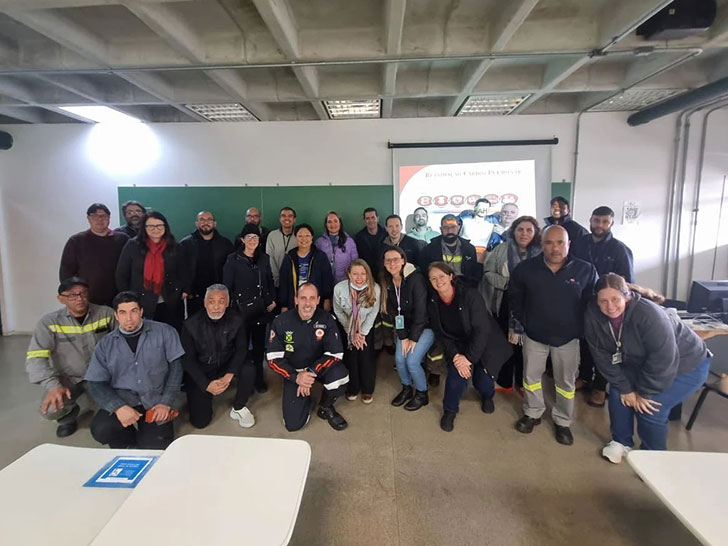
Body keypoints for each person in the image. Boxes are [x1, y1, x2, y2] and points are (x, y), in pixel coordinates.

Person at [584, 273, 711, 462]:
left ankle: (652, 457)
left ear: (627, 296)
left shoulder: (649, 315)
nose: (609, 306)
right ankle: (621, 442)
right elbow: (601, 355)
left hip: (686, 364)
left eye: (615, 299)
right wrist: (627, 389)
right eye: (603, 301)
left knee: (651, 407)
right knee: (619, 392)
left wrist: (644, 393)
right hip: (640, 362)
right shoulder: (593, 314)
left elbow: (663, 359)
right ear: (597, 301)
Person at [509, 225, 598, 445]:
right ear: (542, 244)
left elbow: (593, 303)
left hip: (568, 338)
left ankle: (562, 421)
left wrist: (580, 329)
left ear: (569, 244)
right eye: (549, 242)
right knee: (531, 378)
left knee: (565, 383)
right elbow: (515, 298)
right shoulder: (526, 269)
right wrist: (526, 322)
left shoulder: (585, 270)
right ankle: (533, 412)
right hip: (534, 336)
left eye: (560, 242)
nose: (555, 248)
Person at [85, 291, 184, 449]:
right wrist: (117, 407)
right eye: (123, 313)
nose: (129, 318)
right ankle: (128, 438)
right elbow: (95, 383)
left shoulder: (165, 332)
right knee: (102, 430)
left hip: (155, 399)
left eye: (134, 311)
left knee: (155, 450)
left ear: (141, 311)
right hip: (124, 399)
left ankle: (146, 437)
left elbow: (176, 370)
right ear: (116, 315)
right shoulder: (105, 345)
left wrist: (165, 403)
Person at [25, 277, 116, 437]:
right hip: (68, 379)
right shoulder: (49, 322)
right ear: (61, 299)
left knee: (112, 412)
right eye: (72, 295)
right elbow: (35, 357)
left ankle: (96, 405)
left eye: (83, 293)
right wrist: (52, 386)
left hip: (100, 376)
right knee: (51, 410)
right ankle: (68, 417)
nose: (79, 298)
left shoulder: (106, 314)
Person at [427, 263, 512, 431]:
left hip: (484, 343)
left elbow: (482, 330)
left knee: (483, 381)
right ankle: (450, 411)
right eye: (433, 278)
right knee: (455, 379)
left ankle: (488, 396)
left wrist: (468, 358)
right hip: (458, 345)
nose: (438, 281)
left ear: (451, 276)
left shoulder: (470, 295)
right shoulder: (433, 302)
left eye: (442, 276)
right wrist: (456, 356)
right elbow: (441, 333)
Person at [572, 205, 635, 407]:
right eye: (596, 220)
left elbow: (627, 283)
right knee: (585, 343)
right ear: (590, 221)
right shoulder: (579, 244)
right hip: (582, 302)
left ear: (611, 223)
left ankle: (599, 386)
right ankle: (584, 377)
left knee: (604, 346)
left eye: (605, 221)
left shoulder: (620, 249)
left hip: (607, 306)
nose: (600, 225)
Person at [266, 283, 349, 431]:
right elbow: (273, 359)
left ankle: (325, 407)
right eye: (303, 298)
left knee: (340, 378)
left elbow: (336, 353)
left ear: (318, 300)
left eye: (312, 298)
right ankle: (306, 400)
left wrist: (310, 372)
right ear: (296, 300)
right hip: (294, 371)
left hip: (318, 369)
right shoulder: (281, 321)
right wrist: (296, 377)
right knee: (293, 425)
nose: (307, 303)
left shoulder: (327, 319)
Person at [180, 284, 256, 429]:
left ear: (227, 303)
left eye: (221, 302)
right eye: (211, 301)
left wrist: (229, 374)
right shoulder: (191, 325)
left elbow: (241, 349)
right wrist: (206, 384)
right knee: (200, 422)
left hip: (226, 363)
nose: (216, 307)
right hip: (203, 368)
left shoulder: (237, 319)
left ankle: (239, 407)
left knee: (248, 369)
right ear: (205, 303)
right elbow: (188, 360)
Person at [481, 216, 541, 392]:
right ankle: (504, 380)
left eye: (529, 230)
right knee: (504, 344)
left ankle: (522, 382)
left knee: (526, 348)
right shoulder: (501, 249)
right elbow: (488, 272)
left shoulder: (541, 252)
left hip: (533, 306)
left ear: (535, 233)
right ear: (513, 231)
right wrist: (509, 284)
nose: (524, 234)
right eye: (520, 229)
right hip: (504, 303)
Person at [223, 223, 276, 392]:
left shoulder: (264, 258)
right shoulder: (233, 259)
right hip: (240, 312)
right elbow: (227, 286)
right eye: (249, 237)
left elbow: (269, 281)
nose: (252, 240)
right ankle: (244, 381)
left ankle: (259, 379)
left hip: (260, 310)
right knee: (242, 348)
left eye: (255, 237)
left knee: (259, 348)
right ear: (242, 239)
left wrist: (271, 299)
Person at [115, 210, 189, 331]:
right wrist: (128, 299)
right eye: (150, 226)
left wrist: (184, 291)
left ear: (165, 227)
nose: (155, 229)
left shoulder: (175, 246)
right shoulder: (133, 245)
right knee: (146, 333)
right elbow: (121, 274)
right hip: (141, 301)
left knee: (171, 332)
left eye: (159, 225)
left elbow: (184, 271)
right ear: (144, 227)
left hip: (171, 300)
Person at [380, 246, 434, 411]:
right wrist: (403, 337)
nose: (392, 263)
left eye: (396, 259)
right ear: (384, 263)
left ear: (403, 260)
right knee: (399, 359)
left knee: (412, 361)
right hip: (405, 328)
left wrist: (413, 339)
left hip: (424, 326)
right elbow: (394, 313)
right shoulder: (387, 282)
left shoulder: (415, 279)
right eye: (388, 260)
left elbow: (421, 313)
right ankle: (407, 388)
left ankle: (422, 394)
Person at [59, 203, 129, 307]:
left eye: (103, 216)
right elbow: (66, 272)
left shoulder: (123, 239)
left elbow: (131, 267)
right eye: (95, 216)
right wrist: (74, 295)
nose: (99, 220)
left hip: (118, 298)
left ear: (109, 218)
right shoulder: (76, 241)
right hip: (88, 298)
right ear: (88, 218)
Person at [333, 259, 381, 403]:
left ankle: (367, 389)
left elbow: (373, 313)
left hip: (366, 328)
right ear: (349, 274)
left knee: (366, 359)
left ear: (368, 274)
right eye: (355, 274)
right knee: (351, 358)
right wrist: (351, 332)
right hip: (347, 328)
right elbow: (338, 311)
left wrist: (362, 333)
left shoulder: (375, 288)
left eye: (363, 274)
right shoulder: (339, 288)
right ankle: (352, 388)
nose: (359, 277)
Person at [180, 211, 234, 317]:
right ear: (196, 223)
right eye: (202, 220)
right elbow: (180, 270)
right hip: (195, 296)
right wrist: (187, 290)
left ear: (215, 223)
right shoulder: (185, 244)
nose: (206, 223)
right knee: (195, 325)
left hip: (219, 296)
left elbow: (231, 270)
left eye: (209, 220)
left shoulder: (225, 244)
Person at [278, 224, 334, 312]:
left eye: (307, 235)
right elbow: (284, 282)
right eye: (300, 236)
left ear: (312, 238)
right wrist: (284, 304)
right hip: (294, 303)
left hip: (315, 302)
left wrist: (327, 299)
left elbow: (327, 279)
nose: (304, 239)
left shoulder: (320, 256)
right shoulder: (289, 257)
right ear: (296, 238)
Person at [420, 214, 479, 284]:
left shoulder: (469, 249)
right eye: (445, 227)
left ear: (458, 228)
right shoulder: (429, 249)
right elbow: (425, 274)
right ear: (441, 229)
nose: (449, 231)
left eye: (453, 227)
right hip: (440, 286)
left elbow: (474, 274)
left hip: (464, 286)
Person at [315, 211, 359, 283]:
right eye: (329, 222)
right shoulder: (319, 242)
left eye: (335, 221)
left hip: (344, 281)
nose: (333, 224)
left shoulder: (349, 242)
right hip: (324, 281)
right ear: (326, 224)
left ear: (340, 223)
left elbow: (355, 263)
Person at [266, 206, 297, 287]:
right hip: (275, 282)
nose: (287, 218)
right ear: (280, 219)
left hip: (295, 281)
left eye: (290, 216)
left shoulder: (299, 236)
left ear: (294, 219)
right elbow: (269, 258)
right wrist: (277, 278)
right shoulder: (272, 235)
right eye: (283, 216)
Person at [354, 207, 387, 277]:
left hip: (385, 273)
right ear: (364, 220)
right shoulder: (359, 237)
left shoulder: (386, 234)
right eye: (367, 218)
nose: (370, 220)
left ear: (377, 219)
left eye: (373, 217)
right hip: (367, 274)